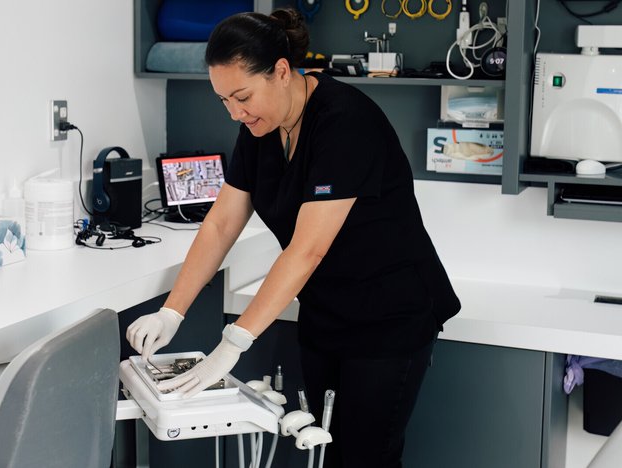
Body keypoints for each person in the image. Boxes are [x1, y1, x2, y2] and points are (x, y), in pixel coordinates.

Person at [127, 7, 460, 468]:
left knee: (364, 459)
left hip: (389, 316)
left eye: (242, 96)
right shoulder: (259, 126)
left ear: (282, 71)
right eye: (224, 101)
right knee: (325, 452)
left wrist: (233, 344)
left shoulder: (346, 122)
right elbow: (222, 223)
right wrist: (172, 311)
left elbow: (308, 249)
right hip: (326, 314)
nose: (235, 112)